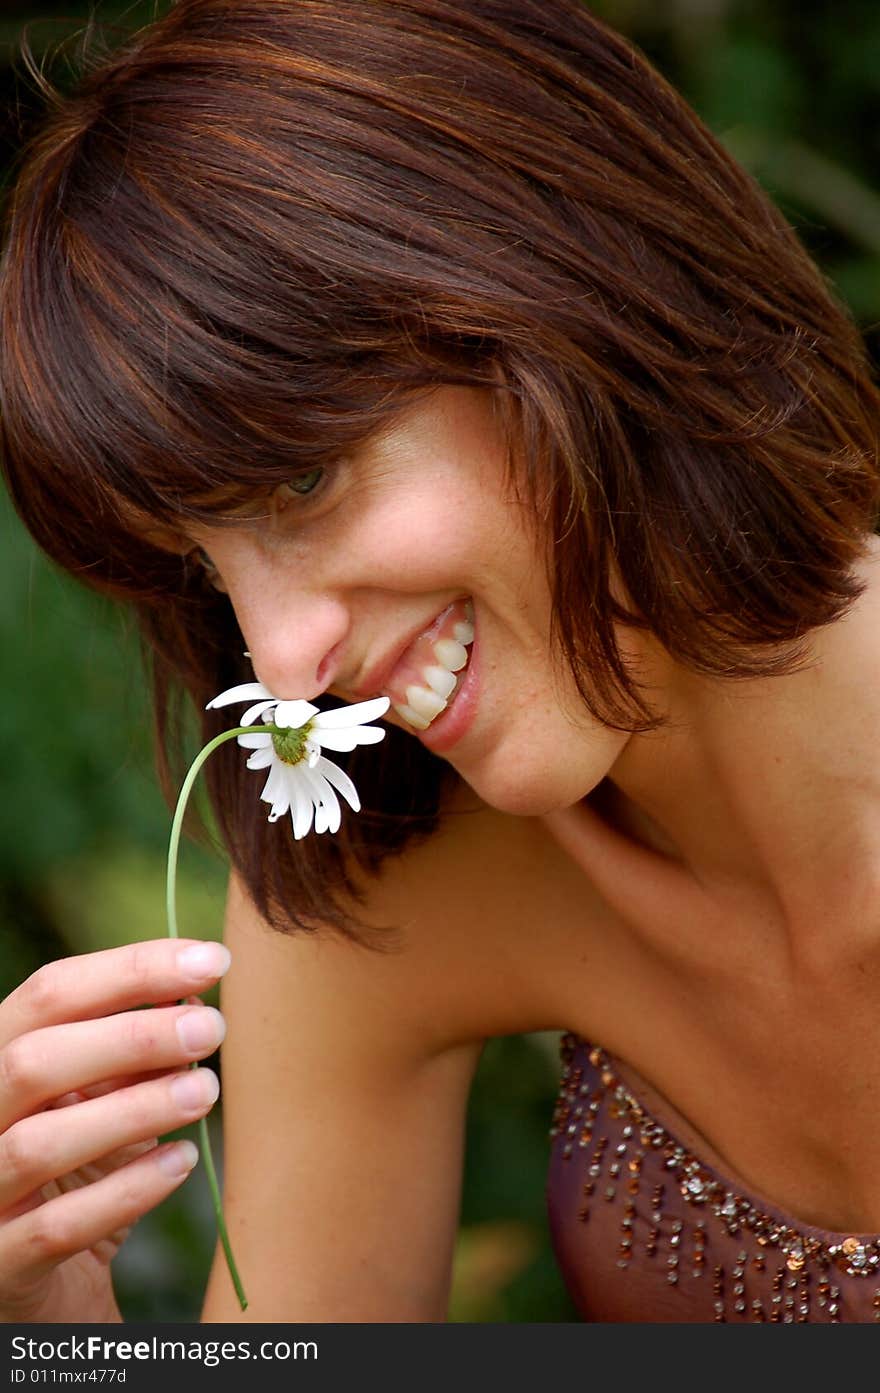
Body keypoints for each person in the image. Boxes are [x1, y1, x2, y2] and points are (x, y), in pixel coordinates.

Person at [1, 0, 879, 1326]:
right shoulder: (376, 893)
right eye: (204, 568)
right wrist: (58, 1330)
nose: (284, 674)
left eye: (303, 476)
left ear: (549, 285)